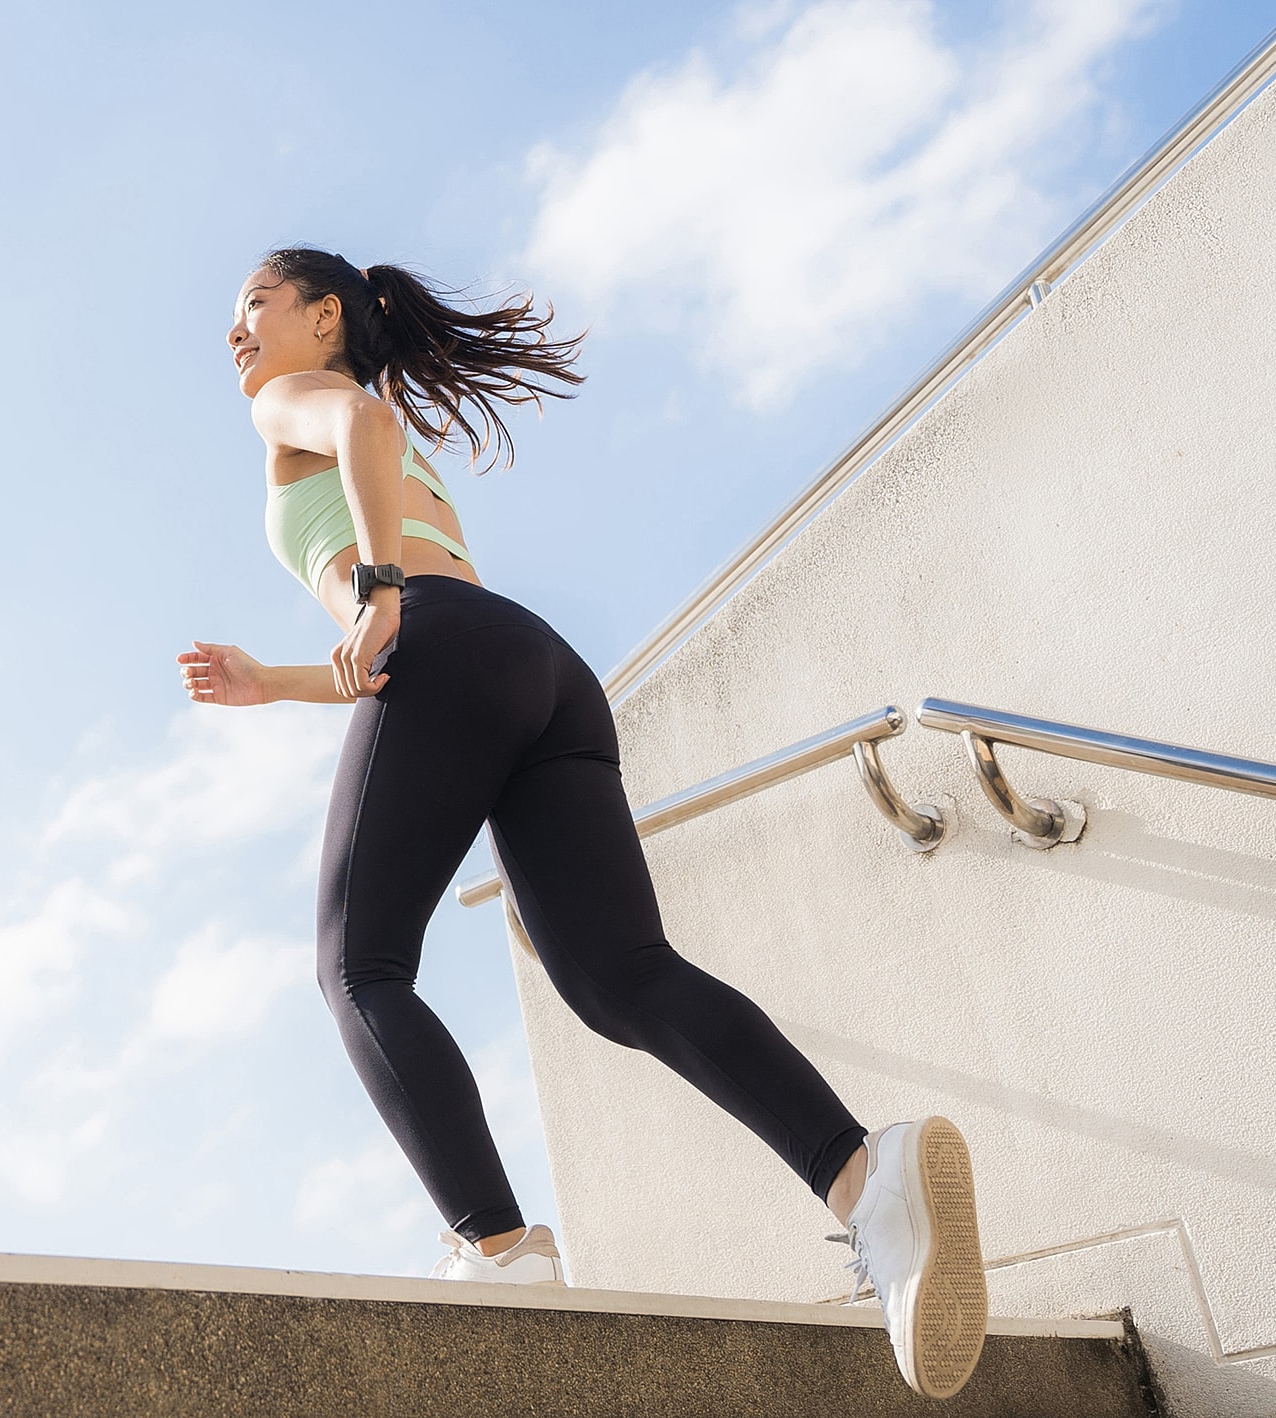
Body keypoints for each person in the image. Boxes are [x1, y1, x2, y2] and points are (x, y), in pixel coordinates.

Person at [177, 247, 989, 1400]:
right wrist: (284, 676)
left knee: (356, 968)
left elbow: (362, 448)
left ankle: (499, 1248)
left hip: (444, 640)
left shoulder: (293, 403)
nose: (236, 335)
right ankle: (865, 1176)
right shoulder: (369, 443)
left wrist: (372, 589)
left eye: (252, 305)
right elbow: (404, 624)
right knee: (623, 979)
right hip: (535, 666)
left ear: (322, 316)